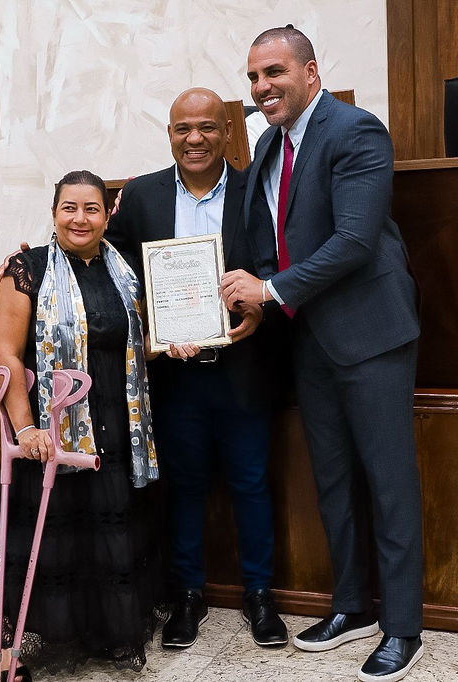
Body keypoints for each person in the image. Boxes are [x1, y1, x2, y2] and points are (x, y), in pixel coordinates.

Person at [221, 26, 425, 682]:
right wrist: (252, 303)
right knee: (333, 483)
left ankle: (402, 628)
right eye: (253, 78)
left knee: (388, 486)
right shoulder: (267, 146)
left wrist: (271, 289)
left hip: (370, 334)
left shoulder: (355, 131)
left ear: (311, 72)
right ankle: (351, 607)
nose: (261, 88)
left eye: (274, 72)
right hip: (307, 339)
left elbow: (355, 241)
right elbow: (263, 239)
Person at [107, 87, 288, 649]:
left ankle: (261, 595)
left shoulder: (253, 189)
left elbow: (272, 264)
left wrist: (260, 306)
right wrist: (35, 260)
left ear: (228, 133)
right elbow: (110, 267)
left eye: (208, 127)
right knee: (183, 487)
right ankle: (188, 595)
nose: (195, 139)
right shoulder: (140, 197)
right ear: (169, 134)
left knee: (252, 484)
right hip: (174, 375)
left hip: (242, 365)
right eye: (184, 128)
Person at [0, 170, 162, 680]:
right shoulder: (26, 269)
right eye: (69, 208)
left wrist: (173, 345)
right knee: (50, 534)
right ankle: (29, 645)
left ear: (107, 214)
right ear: (54, 212)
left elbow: (135, 347)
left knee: (104, 531)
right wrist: (26, 428)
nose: (80, 218)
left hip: (115, 425)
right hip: (51, 427)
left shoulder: (123, 270)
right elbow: (6, 353)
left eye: (91, 208)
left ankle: (102, 632)